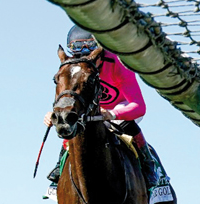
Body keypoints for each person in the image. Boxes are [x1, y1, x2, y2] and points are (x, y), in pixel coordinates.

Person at [44, 25, 168, 189]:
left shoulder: (119, 62)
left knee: (123, 124)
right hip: (91, 107)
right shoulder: (71, 67)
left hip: (121, 106)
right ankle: (59, 166)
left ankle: (148, 164)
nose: (85, 61)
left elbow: (139, 106)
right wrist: (54, 114)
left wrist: (112, 113)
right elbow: (67, 98)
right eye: (79, 56)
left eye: (91, 56)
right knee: (74, 124)